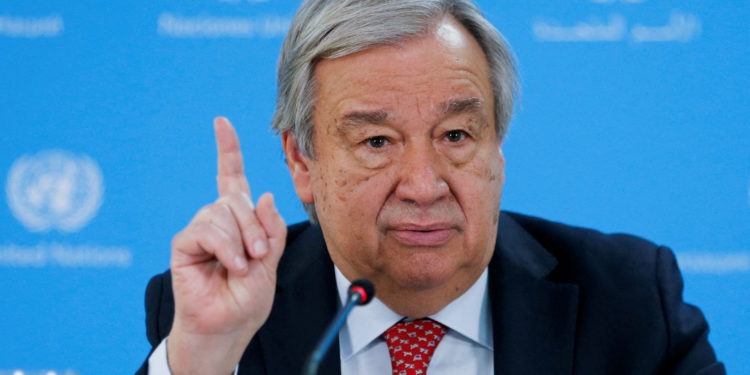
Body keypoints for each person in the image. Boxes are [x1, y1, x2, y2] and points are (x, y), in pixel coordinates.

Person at [137, 0, 725, 374]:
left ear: (497, 149)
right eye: (376, 142)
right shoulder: (227, 315)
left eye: (454, 135)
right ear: (301, 163)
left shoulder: (627, 302)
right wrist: (201, 362)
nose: (423, 185)